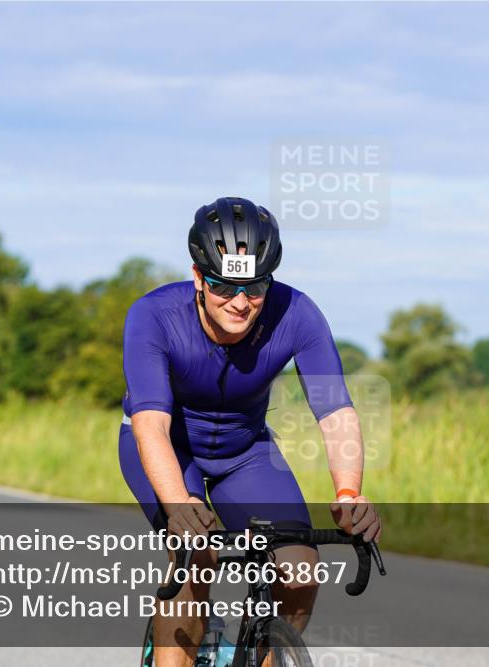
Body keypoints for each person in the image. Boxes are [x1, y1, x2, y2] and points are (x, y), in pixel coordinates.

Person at [119, 196, 381, 666]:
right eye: (223, 286)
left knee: (299, 570)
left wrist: (349, 492)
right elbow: (151, 426)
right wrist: (179, 504)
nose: (240, 303)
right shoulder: (153, 315)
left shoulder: (297, 313)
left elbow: (335, 412)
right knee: (196, 558)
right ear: (198, 277)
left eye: (255, 286)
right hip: (170, 448)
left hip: (245, 452)